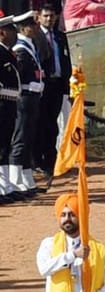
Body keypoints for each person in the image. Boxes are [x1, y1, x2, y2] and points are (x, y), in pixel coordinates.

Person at [34, 4, 71, 182]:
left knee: (52, 125)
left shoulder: (60, 37)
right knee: (42, 124)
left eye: (52, 16)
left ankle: (51, 159)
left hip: (57, 85)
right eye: (46, 16)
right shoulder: (35, 37)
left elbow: (66, 61)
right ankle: (41, 160)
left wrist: (68, 85)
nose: (49, 19)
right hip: (42, 86)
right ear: (39, 17)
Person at [13, 11, 45, 193]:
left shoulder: (29, 45)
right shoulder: (20, 48)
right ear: (23, 28)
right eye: (31, 25)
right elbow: (20, 75)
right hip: (24, 97)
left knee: (29, 138)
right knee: (20, 138)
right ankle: (15, 179)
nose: (34, 28)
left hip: (33, 97)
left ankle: (26, 178)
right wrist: (33, 83)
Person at [0, 26, 20, 204]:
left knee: (5, 147)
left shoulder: (7, 53)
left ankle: (5, 186)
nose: (15, 33)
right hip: (2, 105)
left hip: (9, 104)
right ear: (2, 33)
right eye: (11, 30)